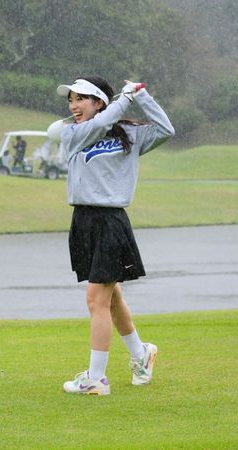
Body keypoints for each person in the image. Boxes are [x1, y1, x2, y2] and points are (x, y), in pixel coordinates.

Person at [57, 76, 174, 395]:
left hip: (110, 221)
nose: (73, 106)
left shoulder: (129, 135)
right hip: (83, 220)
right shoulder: (72, 133)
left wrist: (142, 96)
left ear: (99, 102)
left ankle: (96, 379)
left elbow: (166, 130)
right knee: (111, 296)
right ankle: (141, 353)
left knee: (97, 298)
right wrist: (124, 99)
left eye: (80, 99)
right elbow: (100, 124)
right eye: (71, 100)